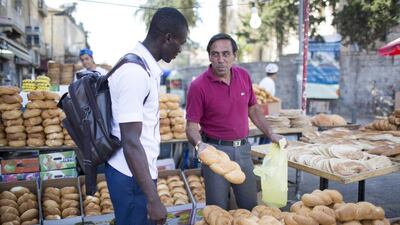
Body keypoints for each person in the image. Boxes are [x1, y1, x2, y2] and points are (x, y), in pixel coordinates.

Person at [105, 7, 188, 225]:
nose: (181, 49)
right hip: (130, 176)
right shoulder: (135, 73)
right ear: (168, 37)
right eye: (181, 42)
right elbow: (131, 141)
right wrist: (153, 199)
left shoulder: (142, 67)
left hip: (134, 174)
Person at [185, 33, 282, 210]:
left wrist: (271, 133)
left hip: (244, 150)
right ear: (209, 57)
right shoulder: (198, 86)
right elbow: (191, 127)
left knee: (250, 205)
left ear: (234, 56)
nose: (220, 59)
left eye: (226, 54)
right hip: (215, 153)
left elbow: (253, 109)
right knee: (218, 210)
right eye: (215, 54)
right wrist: (200, 145)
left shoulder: (243, 76)